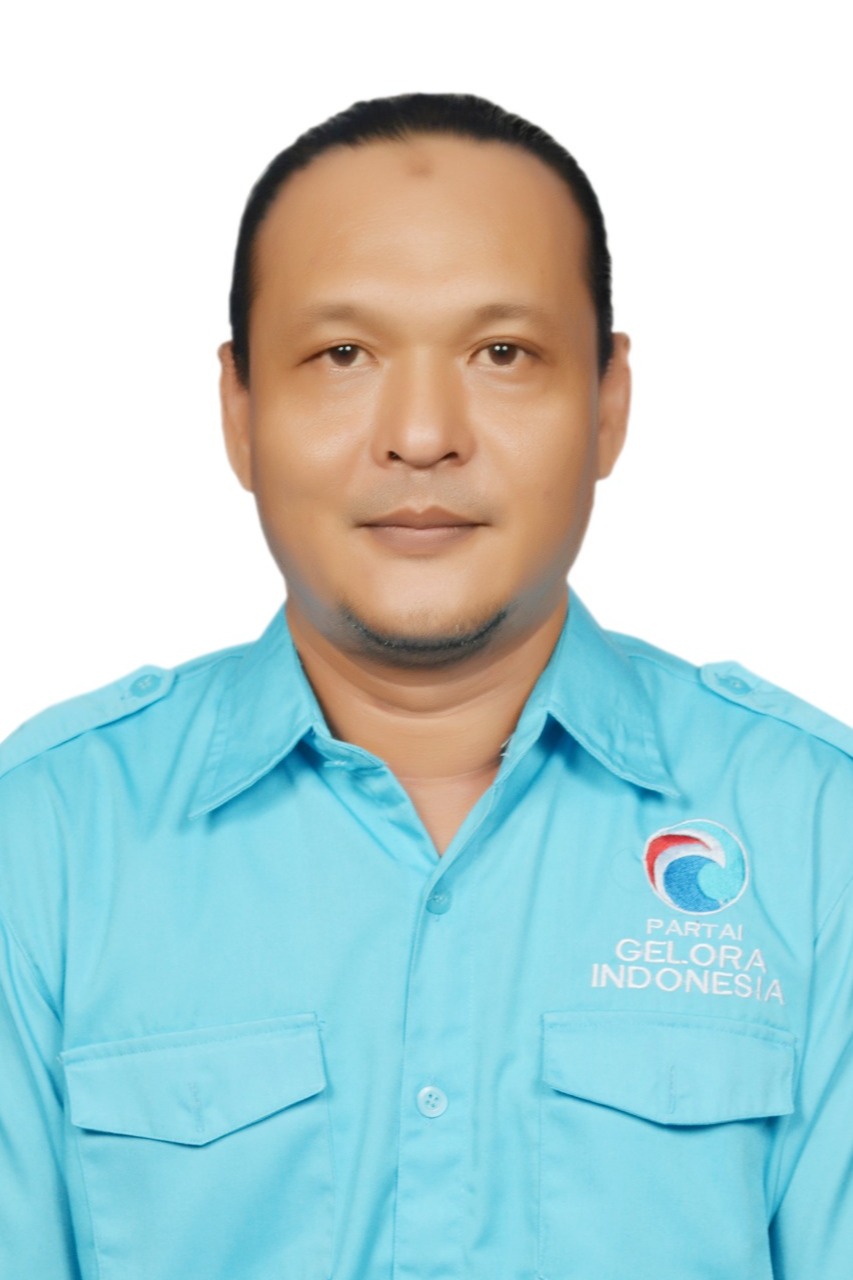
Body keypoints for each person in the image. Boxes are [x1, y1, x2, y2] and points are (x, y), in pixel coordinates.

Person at [0, 91, 850, 1280]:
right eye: (342, 354)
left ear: (608, 401)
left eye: (502, 353)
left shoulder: (816, 832)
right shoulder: (42, 843)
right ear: (238, 409)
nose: (419, 434)